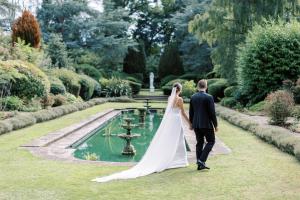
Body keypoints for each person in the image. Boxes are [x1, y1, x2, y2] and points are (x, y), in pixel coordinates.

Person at [92, 83, 191, 183]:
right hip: (176, 121)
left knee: (171, 140)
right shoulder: (180, 100)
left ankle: (174, 160)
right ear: (180, 90)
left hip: (170, 121)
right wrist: (190, 123)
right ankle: (179, 161)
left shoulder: (170, 98)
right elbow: (182, 113)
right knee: (178, 140)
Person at [189, 79, 218, 170]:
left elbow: (191, 112)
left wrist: (191, 124)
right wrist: (215, 125)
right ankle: (201, 160)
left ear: (198, 86)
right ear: (206, 86)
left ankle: (200, 165)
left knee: (199, 143)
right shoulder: (209, 97)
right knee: (211, 141)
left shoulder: (193, 97)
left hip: (196, 124)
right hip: (206, 124)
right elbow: (212, 113)